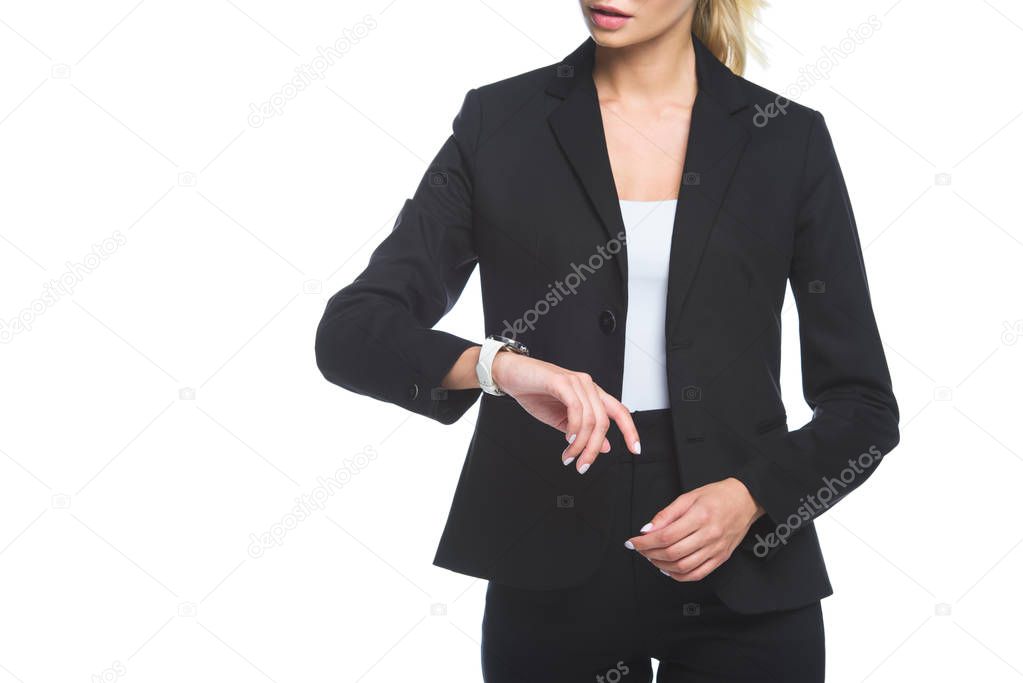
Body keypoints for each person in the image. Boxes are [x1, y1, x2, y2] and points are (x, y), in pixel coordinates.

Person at [315, 1, 900, 680]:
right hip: (545, 564)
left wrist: (752, 495)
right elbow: (352, 331)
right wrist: (497, 368)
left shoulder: (785, 138)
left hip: (746, 574)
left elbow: (862, 407)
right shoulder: (499, 123)